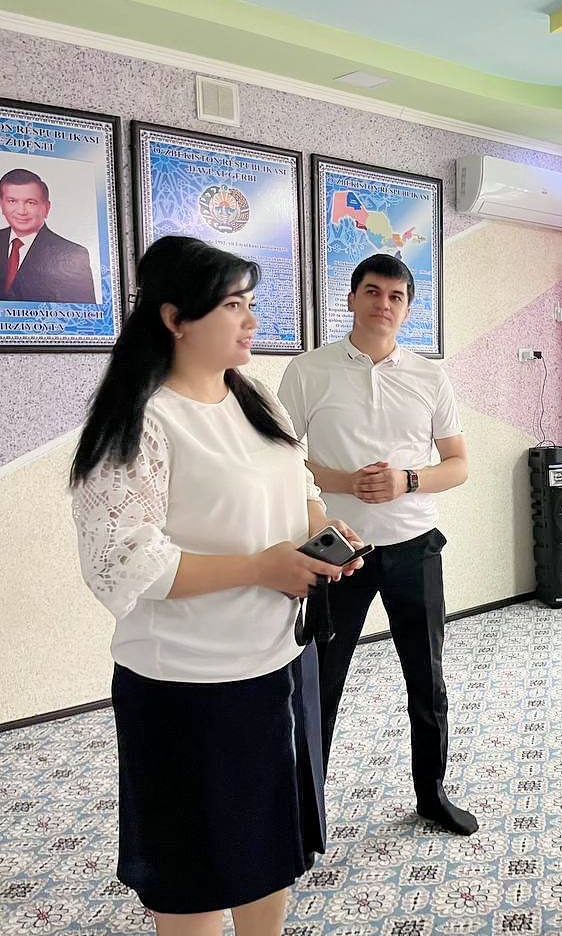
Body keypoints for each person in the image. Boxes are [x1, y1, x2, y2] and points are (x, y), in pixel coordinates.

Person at [69, 235, 364, 936]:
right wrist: (262, 566)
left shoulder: (255, 399)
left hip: (277, 665)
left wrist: (324, 532)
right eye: (233, 306)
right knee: (193, 877)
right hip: (186, 686)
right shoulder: (141, 421)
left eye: (250, 304)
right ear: (175, 318)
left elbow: (300, 489)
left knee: (269, 852)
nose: (252, 321)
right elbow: (125, 560)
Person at [277, 253, 475, 835]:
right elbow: (279, 458)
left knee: (427, 678)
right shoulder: (308, 370)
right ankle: (305, 810)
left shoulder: (430, 376)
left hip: (415, 545)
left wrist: (407, 481)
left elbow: (459, 464)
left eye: (395, 296)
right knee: (321, 680)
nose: (382, 304)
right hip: (337, 550)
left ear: (408, 309)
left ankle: (432, 795)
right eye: (372, 291)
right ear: (351, 299)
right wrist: (342, 482)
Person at [0, 167, 96, 303]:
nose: (21, 211)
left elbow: (83, 312)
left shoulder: (72, 253)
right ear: (2, 205)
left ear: (46, 208)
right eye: (12, 201)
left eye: (30, 202)